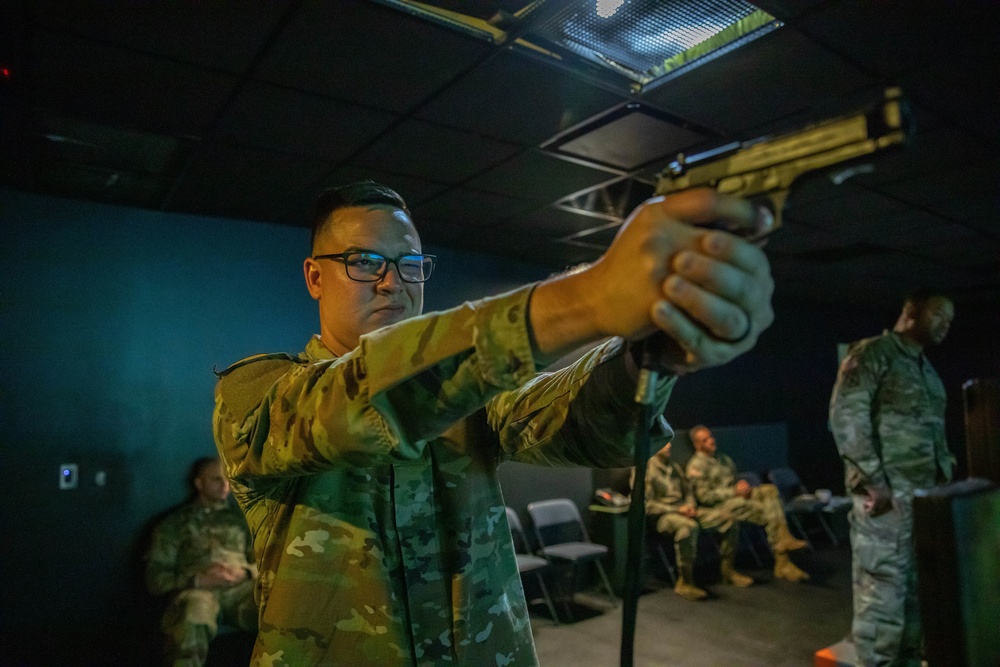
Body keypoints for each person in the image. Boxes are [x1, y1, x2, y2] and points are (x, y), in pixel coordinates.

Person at [212, 180, 776, 666]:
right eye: (364, 262)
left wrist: (643, 353)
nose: (393, 283)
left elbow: (574, 421)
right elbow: (350, 403)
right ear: (315, 276)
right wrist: (586, 300)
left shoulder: (468, 401)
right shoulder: (256, 393)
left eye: (409, 264)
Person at [829, 289, 955, 667]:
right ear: (911, 311)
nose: (946, 325)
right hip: (887, 501)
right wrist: (873, 480)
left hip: (922, 498)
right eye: (939, 315)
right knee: (881, 596)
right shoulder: (873, 354)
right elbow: (846, 416)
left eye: (950, 320)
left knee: (915, 593)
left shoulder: (924, 368)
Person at [145, 457, 258, 667]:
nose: (225, 486)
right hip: (199, 593)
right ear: (199, 484)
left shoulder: (242, 520)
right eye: (216, 480)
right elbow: (156, 579)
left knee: (278, 602)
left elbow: (264, 562)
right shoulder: (174, 524)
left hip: (239, 591)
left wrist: (245, 572)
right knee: (195, 611)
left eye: (228, 479)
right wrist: (199, 580)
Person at [686, 425, 810, 585]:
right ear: (697, 444)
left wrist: (742, 487)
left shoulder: (723, 459)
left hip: (737, 499)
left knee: (769, 490)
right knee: (763, 510)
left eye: (711, 437)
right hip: (718, 507)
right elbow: (704, 497)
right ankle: (782, 559)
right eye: (705, 440)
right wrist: (733, 492)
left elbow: (732, 481)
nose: (711, 441)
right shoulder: (696, 466)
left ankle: (783, 539)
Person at [636, 438, 741, 601]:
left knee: (728, 519)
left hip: (685, 511)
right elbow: (646, 505)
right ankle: (685, 581)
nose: (669, 445)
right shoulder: (645, 470)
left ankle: (727, 571)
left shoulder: (674, 467)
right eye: (664, 442)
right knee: (688, 527)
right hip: (663, 518)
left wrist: (690, 505)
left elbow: (689, 492)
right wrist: (678, 509)